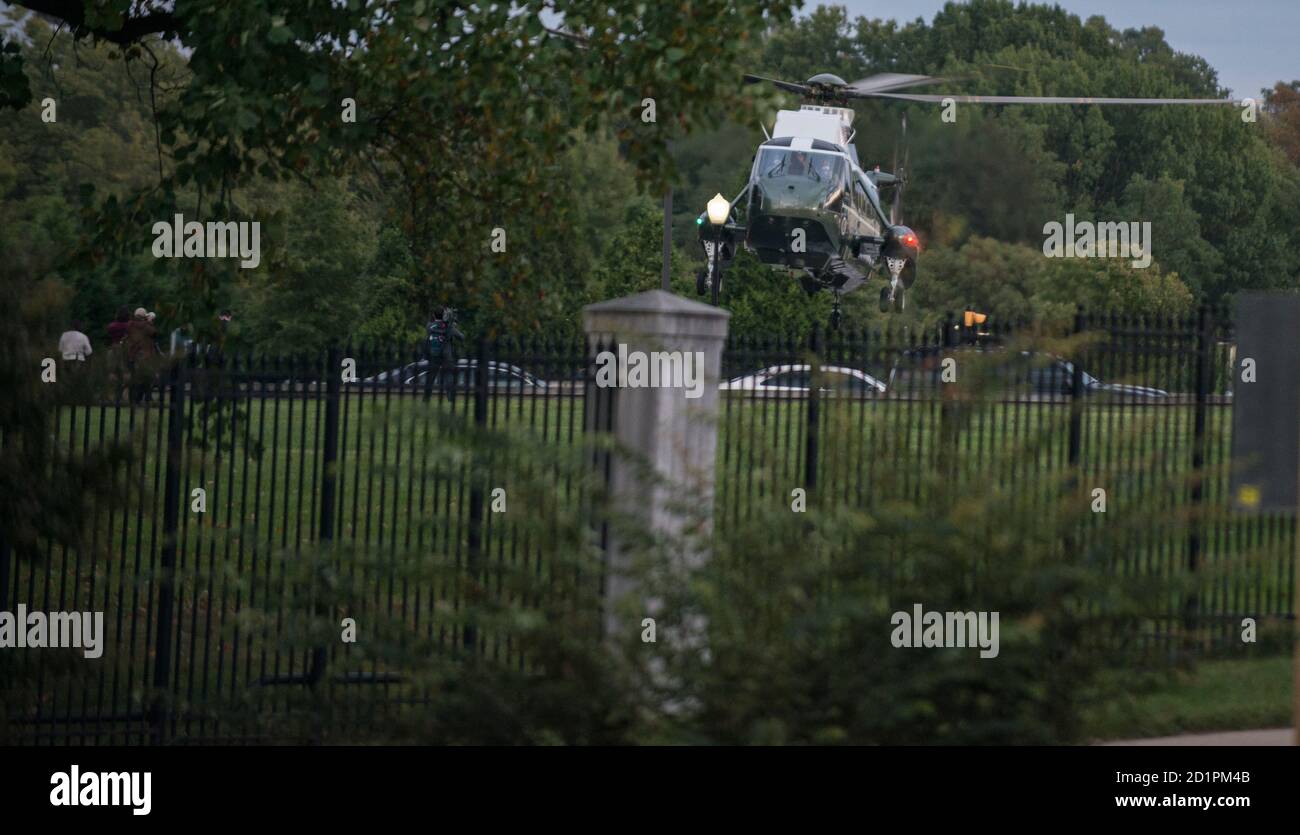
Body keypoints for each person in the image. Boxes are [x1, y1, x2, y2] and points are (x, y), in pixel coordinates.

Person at [426, 306, 465, 401]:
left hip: (434, 353)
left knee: (431, 376)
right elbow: (461, 337)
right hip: (447, 355)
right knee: (448, 375)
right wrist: (453, 326)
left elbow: (433, 328)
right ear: (444, 315)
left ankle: (426, 398)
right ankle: (450, 398)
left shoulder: (429, 326)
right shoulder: (449, 327)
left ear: (433, 315)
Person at [125, 307, 158, 402]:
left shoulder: (130, 324)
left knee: (134, 378)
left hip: (132, 355)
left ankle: (132, 399)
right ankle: (142, 398)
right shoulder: (146, 325)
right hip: (144, 356)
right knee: (146, 379)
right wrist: (150, 321)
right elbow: (154, 333)